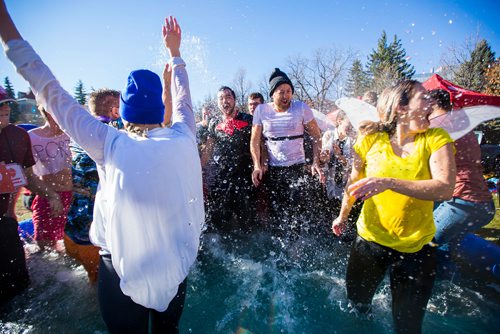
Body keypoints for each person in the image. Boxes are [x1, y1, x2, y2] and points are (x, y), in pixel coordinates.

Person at [0, 6, 204, 332]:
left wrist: (5, 27)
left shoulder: (108, 143)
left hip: (121, 273)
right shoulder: (184, 136)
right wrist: (175, 54)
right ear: (159, 108)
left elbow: (48, 88)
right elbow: (183, 99)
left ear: (123, 112)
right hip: (174, 268)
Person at [332, 80, 456, 334]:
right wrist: (342, 216)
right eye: (424, 98)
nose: (431, 103)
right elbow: (353, 183)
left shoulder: (436, 138)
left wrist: (389, 183)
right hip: (369, 242)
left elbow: (445, 188)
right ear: (400, 107)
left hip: (417, 250)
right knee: (357, 308)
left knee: (407, 328)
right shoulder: (370, 139)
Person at [0, 85, 62, 304]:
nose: (4, 109)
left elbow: (28, 177)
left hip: (5, 222)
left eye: (5, 104)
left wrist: (51, 194)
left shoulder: (18, 136)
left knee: (18, 287)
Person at [250, 68, 324, 238]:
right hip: (274, 169)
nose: (286, 95)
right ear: (272, 94)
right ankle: (279, 248)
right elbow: (255, 141)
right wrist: (257, 165)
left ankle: (297, 247)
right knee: (277, 212)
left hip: (296, 167)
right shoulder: (261, 110)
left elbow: (316, 136)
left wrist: (315, 162)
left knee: (296, 211)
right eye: (281, 92)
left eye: (289, 91)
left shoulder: (301, 108)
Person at [429, 89, 495, 268]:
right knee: (445, 245)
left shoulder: (439, 127)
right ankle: (445, 284)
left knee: (426, 242)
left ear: (432, 105)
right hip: (483, 204)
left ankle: (436, 286)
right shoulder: (462, 125)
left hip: (462, 202)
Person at [64, 88, 120, 284]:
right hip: (91, 235)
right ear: (115, 109)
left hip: (72, 230)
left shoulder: (79, 133)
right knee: (101, 289)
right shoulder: (109, 134)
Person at [201, 86, 255, 233]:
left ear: (234, 100)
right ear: (218, 102)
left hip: (244, 178)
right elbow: (208, 149)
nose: (225, 101)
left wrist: (260, 166)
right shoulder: (213, 123)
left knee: (247, 224)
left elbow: (258, 146)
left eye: (228, 97)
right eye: (221, 98)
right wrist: (200, 169)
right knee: (219, 224)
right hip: (221, 179)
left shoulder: (248, 119)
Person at [28, 105, 72, 251]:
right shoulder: (32, 137)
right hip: (48, 197)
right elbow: (28, 175)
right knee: (46, 249)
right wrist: (52, 196)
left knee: (75, 249)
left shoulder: (74, 133)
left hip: (75, 197)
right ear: (48, 112)